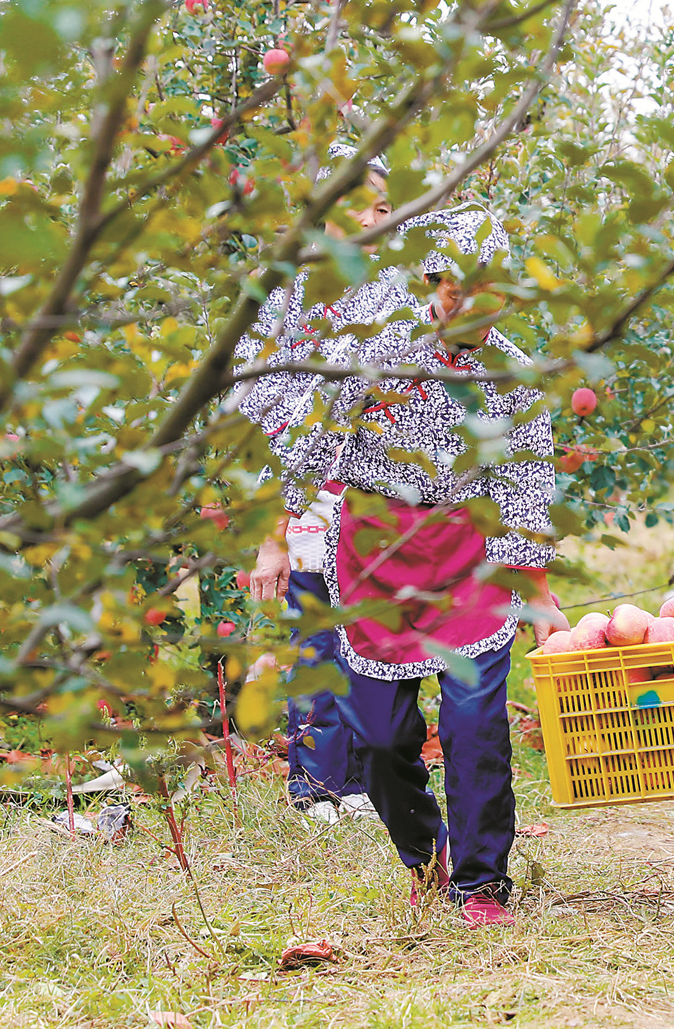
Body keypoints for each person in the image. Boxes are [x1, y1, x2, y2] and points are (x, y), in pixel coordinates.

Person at [241, 146, 569, 928]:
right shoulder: (373, 353)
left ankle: (482, 882)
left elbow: (525, 486)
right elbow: (310, 439)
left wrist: (537, 589)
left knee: (476, 725)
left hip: (469, 555)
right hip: (377, 550)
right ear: (431, 285)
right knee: (382, 736)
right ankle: (424, 850)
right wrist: (276, 535)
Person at [237, 146, 402, 825]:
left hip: (378, 500)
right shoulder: (286, 299)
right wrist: (271, 530)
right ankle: (317, 786)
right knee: (316, 635)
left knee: (373, 638)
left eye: (383, 206)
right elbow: (257, 414)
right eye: (358, 204)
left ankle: (365, 781)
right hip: (305, 498)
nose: (372, 218)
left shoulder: (400, 294)